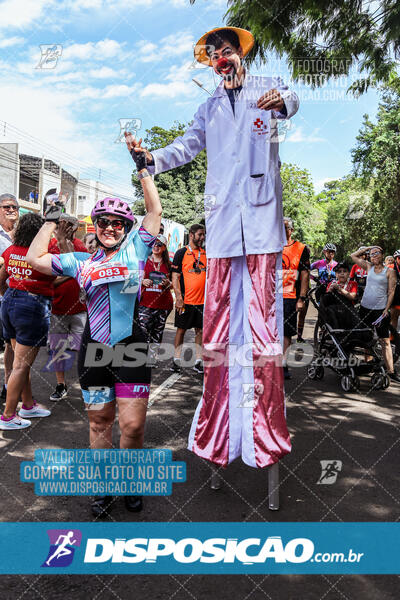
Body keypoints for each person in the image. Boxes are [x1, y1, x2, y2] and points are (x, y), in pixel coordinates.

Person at [126, 25, 298, 468]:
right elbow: (186, 147)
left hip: (260, 223)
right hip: (223, 229)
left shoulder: (267, 87)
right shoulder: (208, 107)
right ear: (211, 64)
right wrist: (151, 159)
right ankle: (222, 430)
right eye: (215, 53)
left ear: (241, 55)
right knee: (220, 325)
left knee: (263, 325)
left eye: (228, 49)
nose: (222, 56)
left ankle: (263, 431)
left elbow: (293, 100)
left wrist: (283, 104)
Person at [27, 147, 161, 517]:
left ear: (125, 228)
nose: (110, 228)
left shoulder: (136, 249)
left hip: (131, 348)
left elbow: (154, 212)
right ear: (95, 226)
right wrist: (51, 220)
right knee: (100, 423)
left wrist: (143, 171)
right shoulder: (80, 262)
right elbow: (34, 260)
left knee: (132, 427)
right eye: (103, 222)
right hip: (94, 351)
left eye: (118, 223)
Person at [0, 213, 52, 430]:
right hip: (32, 307)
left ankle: (28, 405)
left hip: (10, 302)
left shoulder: (10, 251)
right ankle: (8, 416)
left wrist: (8, 294)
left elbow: (1, 277)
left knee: (21, 363)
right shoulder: (39, 254)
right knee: (21, 365)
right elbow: (54, 275)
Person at [47, 215, 87, 401]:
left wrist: (68, 273)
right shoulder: (50, 247)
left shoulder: (80, 246)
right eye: (64, 224)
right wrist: (71, 274)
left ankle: (86, 384)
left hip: (80, 308)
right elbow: (48, 281)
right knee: (59, 349)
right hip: (57, 308)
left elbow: (83, 273)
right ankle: (61, 385)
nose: (67, 228)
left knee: (83, 348)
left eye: (71, 225)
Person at [351, 245, 400, 382]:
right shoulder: (368, 266)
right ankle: (369, 363)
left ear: (382, 255)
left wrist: (386, 309)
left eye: (377, 253)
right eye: (372, 254)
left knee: (384, 340)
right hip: (365, 309)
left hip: (380, 310)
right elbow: (353, 256)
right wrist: (369, 247)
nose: (374, 255)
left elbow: (391, 292)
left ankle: (391, 371)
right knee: (366, 338)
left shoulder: (389, 272)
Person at [170, 224, 206, 374]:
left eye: (203, 235)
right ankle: (176, 360)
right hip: (185, 300)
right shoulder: (181, 253)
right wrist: (178, 297)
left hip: (202, 301)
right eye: (200, 235)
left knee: (200, 331)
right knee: (181, 330)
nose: (202, 238)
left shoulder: (206, 253)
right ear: (191, 235)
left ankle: (198, 361)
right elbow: (175, 277)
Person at [138, 233, 173, 367]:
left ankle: (151, 358)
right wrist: (142, 281)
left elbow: (175, 284)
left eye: (159, 244)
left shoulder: (169, 264)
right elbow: (132, 280)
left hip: (163, 304)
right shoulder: (143, 261)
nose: (156, 246)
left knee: (157, 332)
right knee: (143, 330)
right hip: (145, 302)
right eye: (154, 243)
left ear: (164, 248)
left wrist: (168, 284)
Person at [282, 217, 310, 379]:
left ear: (291, 230)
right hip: (271, 295)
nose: (282, 230)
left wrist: (301, 298)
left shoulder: (301, 248)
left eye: (285, 227)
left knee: (286, 332)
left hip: (290, 295)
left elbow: (305, 275)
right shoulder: (270, 246)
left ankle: (284, 363)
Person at [0, 193, 19, 398]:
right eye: (6, 207)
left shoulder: (23, 233)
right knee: (8, 343)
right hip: (2, 295)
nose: (12, 210)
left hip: (20, 298)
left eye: (14, 207)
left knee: (14, 344)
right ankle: (7, 384)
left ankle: (12, 385)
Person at [322, 262, 358, 330]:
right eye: (339, 272)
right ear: (336, 274)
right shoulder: (331, 284)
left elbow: (352, 297)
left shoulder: (353, 284)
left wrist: (339, 289)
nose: (342, 273)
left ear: (348, 274)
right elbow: (326, 300)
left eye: (344, 271)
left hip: (348, 312)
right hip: (334, 313)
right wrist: (330, 290)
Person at [390, 249, 400, 332]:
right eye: (399, 258)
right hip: (395, 297)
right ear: (396, 258)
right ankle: (393, 339)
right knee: (394, 318)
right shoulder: (390, 267)